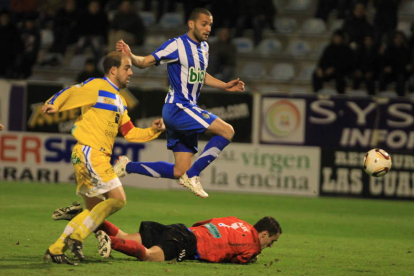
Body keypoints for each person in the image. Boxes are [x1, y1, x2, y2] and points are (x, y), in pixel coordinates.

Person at [42, 51, 165, 265]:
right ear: (113, 70)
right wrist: (54, 103)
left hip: (91, 155)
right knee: (118, 199)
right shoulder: (98, 85)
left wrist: (153, 130)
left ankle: (56, 249)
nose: (131, 72)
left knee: (92, 210)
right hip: (91, 152)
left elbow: (130, 132)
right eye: (127, 67)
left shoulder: (119, 101)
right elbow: (73, 91)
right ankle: (77, 237)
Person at [115, 8, 245, 199]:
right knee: (227, 131)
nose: (208, 28)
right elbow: (144, 62)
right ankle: (193, 175)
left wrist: (224, 85)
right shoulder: (176, 45)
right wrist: (131, 56)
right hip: (178, 107)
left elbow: (200, 75)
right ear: (191, 24)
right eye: (204, 24)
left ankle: (126, 166)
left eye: (210, 24)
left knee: (178, 170)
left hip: (185, 109)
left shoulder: (205, 48)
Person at [95, 216, 282, 263]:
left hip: (182, 229)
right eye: (272, 241)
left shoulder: (237, 221)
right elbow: (238, 260)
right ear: (264, 234)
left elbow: (204, 222)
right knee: (150, 256)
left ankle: (88, 218)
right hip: (187, 241)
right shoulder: (253, 247)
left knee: (125, 236)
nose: (270, 246)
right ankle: (110, 242)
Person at [312, 30, 355, 94]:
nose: (336, 39)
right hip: (328, 71)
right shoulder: (329, 48)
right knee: (315, 75)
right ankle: (317, 93)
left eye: (338, 37)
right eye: (335, 37)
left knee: (340, 78)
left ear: (342, 38)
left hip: (341, 72)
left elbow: (346, 64)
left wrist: (334, 69)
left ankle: (340, 96)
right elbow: (322, 60)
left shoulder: (346, 49)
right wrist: (320, 68)